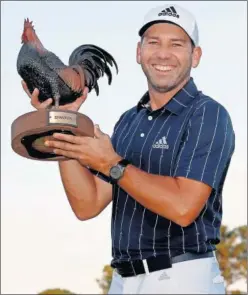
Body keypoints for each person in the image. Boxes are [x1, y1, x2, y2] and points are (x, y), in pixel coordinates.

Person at [22, 3, 235, 294]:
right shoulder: (129, 122)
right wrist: (66, 121)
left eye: (176, 44)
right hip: (123, 280)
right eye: (153, 42)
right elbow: (88, 204)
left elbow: (184, 208)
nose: (162, 53)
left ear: (195, 56)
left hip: (183, 275)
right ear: (139, 52)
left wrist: (112, 163)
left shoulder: (208, 114)